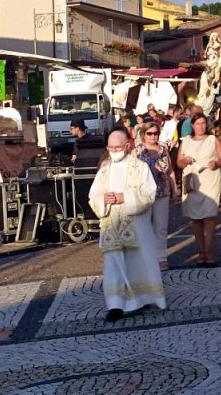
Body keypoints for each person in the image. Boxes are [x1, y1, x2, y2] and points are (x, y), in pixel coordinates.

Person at [88, 129, 166, 322]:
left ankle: (145, 297)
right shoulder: (105, 170)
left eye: (118, 147)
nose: (114, 150)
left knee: (140, 261)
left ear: (127, 146)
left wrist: (125, 198)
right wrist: (103, 199)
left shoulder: (140, 167)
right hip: (112, 226)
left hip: (136, 225)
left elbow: (149, 194)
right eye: (111, 147)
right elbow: (93, 196)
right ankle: (115, 305)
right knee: (113, 266)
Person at [177, 112, 221, 266]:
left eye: (203, 123)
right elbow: (178, 162)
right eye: (197, 123)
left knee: (210, 216)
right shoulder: (185, 141)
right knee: (196, 219)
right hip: (193, 182)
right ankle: (201, 251)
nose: (201, 126)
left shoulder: (213, 140)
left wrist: (217, 163)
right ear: (192, 125)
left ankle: (209, 250)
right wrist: (184, 161)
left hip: (210, 180)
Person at [136, 122, 178, 271]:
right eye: (150, 133)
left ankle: (161, 258)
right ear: (143, 135)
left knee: (160, 227)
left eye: (156, 133)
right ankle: (146, 258)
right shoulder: (137, 151)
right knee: (144, 227)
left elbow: (170, 170)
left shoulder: (163, 149)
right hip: (144, 194)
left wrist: (174, 188)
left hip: (162, 191)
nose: (153, 136)